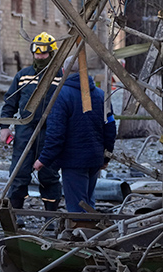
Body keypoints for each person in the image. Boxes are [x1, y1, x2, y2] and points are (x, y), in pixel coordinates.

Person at [34, 56, 116, 214]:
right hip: (94, 158)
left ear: (64, 71)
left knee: (77, 208)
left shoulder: (61, 96)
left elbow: (56, 134)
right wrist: (106, 157)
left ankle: (82, 235)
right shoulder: (101, 95)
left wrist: (43, 159)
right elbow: (110, 129)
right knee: (88, 202)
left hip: (73, 161)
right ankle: (91, 233)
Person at [0, 32, 63, 213]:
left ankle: (50, 215)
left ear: (52, 54)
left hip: (50, 132)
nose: (40, 57)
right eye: (37, 53)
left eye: (44, 54)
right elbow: (10, 102)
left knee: (49, 175)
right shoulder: (23, 76)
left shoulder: (61, 76)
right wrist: (4, 127)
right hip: (25, 131)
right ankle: (16, 214)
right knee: (18, 175)